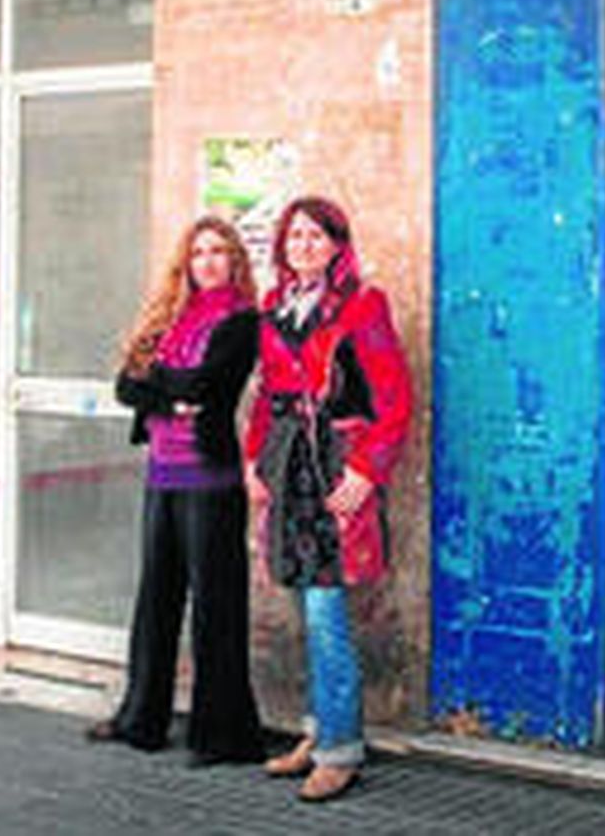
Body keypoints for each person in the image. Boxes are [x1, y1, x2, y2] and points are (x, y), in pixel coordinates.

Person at [244, 196, 413, 802]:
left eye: (316, 236)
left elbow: (394, 398)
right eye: (295, 236)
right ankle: (318, 733)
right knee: (302, 604)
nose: (304, 245)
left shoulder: (364, 305)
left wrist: (367, 471)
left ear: (338, 245)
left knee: (325, 611)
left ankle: (341, 750)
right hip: (288, 467)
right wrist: (255, 462)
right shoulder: (274, 306)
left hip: (337, 468)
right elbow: (267, 396)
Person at [85, 216, 266, 766]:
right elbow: (125, 385)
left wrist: (158, 377)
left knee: (215, 607)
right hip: (162, 475)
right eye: (198, 252)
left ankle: (220, 736)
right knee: (156, 601)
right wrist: (170, 397)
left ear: (235, 261)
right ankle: (141, 721)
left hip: (211, 482)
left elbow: (208, 384)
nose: (207, 261)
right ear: (186, 262)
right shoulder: (171, 316)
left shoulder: (243, 321)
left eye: (218, 251)